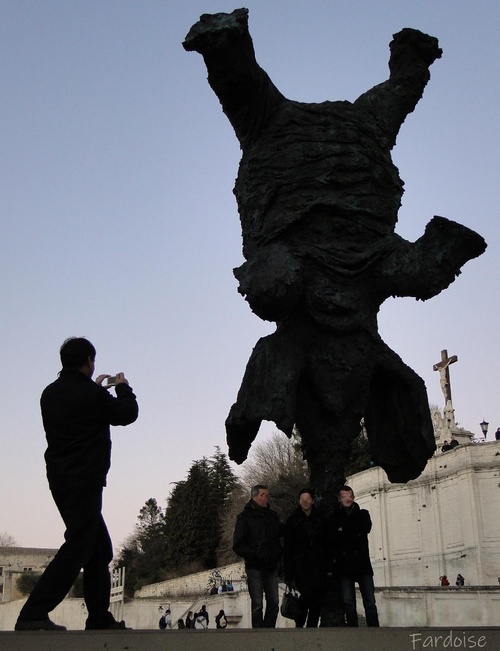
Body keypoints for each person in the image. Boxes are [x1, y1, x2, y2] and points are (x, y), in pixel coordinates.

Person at [15, 337, 138, 631]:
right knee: (79, 547)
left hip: (60, 479)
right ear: (88, 361)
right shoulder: (90, 395)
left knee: (99, 550)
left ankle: (98, 617)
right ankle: (33, 613)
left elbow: (80, 411)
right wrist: (122, 387)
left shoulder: (50, 393)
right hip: (86, 479)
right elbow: (127, 414)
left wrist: (94, 389)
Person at [232, 485, 284, 628]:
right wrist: (255, 554)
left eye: (267, 494)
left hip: (271, 565)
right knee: (257, 604)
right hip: (254, 566)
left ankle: (268, 631)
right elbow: (238, 545)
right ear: (255, 496)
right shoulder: (244, 517)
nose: (267, 497)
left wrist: (277, 553)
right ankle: (258, 634)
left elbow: (281, 533)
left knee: (273, 602)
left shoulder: (272, 516)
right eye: (264, 494)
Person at [330, 486, 379, 627]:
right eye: (344, 496)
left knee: (370, 602)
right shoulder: (334, 516)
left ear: (353, 497)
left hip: (362, 564)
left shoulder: (363, 514)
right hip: (345, 566)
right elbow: (333, 537)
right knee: (348, 602)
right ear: (339, 499)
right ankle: (353, 632)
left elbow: (366, 528)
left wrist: (343, 530)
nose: (347, 499)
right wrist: (352, 531)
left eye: (349, 495)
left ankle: (375, 632)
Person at [284, 488, 329, 627]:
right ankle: (300, 623)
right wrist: (288, 573)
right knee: (305, 596)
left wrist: (328, 565)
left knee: (317, 600)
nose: (305, 502)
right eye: (302, 499)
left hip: (318, 565)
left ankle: (312, 627)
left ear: (313, 501)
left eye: (307, 499)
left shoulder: (321, 518)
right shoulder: (292, 520)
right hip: (300, 567)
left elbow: (327, 543)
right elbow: (288, 548)